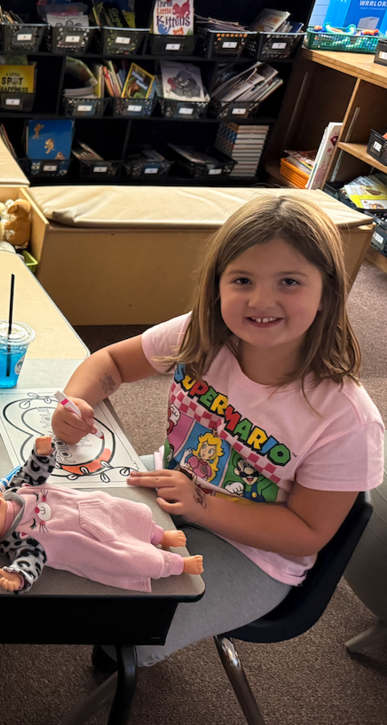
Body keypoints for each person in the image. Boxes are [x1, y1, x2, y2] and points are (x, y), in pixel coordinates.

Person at [50, 195, 384, 669]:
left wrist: (202, 504)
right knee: (57, 509)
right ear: (217, 285)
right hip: (174, 484)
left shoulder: (347, 419)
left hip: (253, 552)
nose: (261, 300)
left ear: (328, 292)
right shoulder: (201, 334)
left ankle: (117, 659)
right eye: (243, 280)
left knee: (129, 625)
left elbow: (307, 533)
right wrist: (76, 402)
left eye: (289, 282)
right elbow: (111, 362)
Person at [0, 435, 204, 593]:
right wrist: (19, 576)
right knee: (130, 559)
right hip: (92, 544)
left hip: (93, 508)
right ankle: (175, 564)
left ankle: (159, 534)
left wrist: (41, 454)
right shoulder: (17, 540)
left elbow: (32, 473)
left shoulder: (14, 490)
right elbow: (31, 561)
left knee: (125, 513)